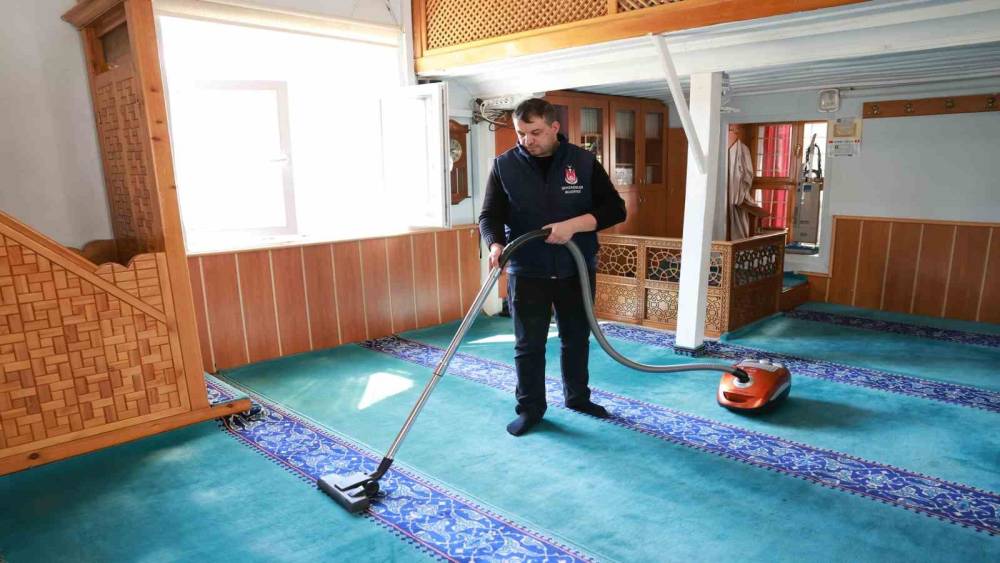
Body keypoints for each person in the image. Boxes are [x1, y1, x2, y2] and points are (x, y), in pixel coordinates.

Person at [478, 98, 627, 436]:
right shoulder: (504, 166)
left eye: (535, 132)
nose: (527, 140)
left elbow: (615, 209)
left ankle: (578, 398)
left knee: (576, 338)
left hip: (576, 268)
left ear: (554, 128)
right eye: (521, 133)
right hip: (527, 269)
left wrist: (573, 225)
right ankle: (530, 409)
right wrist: (495, 244)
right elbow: (489, 216)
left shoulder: (583, 162)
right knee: (528, 344)